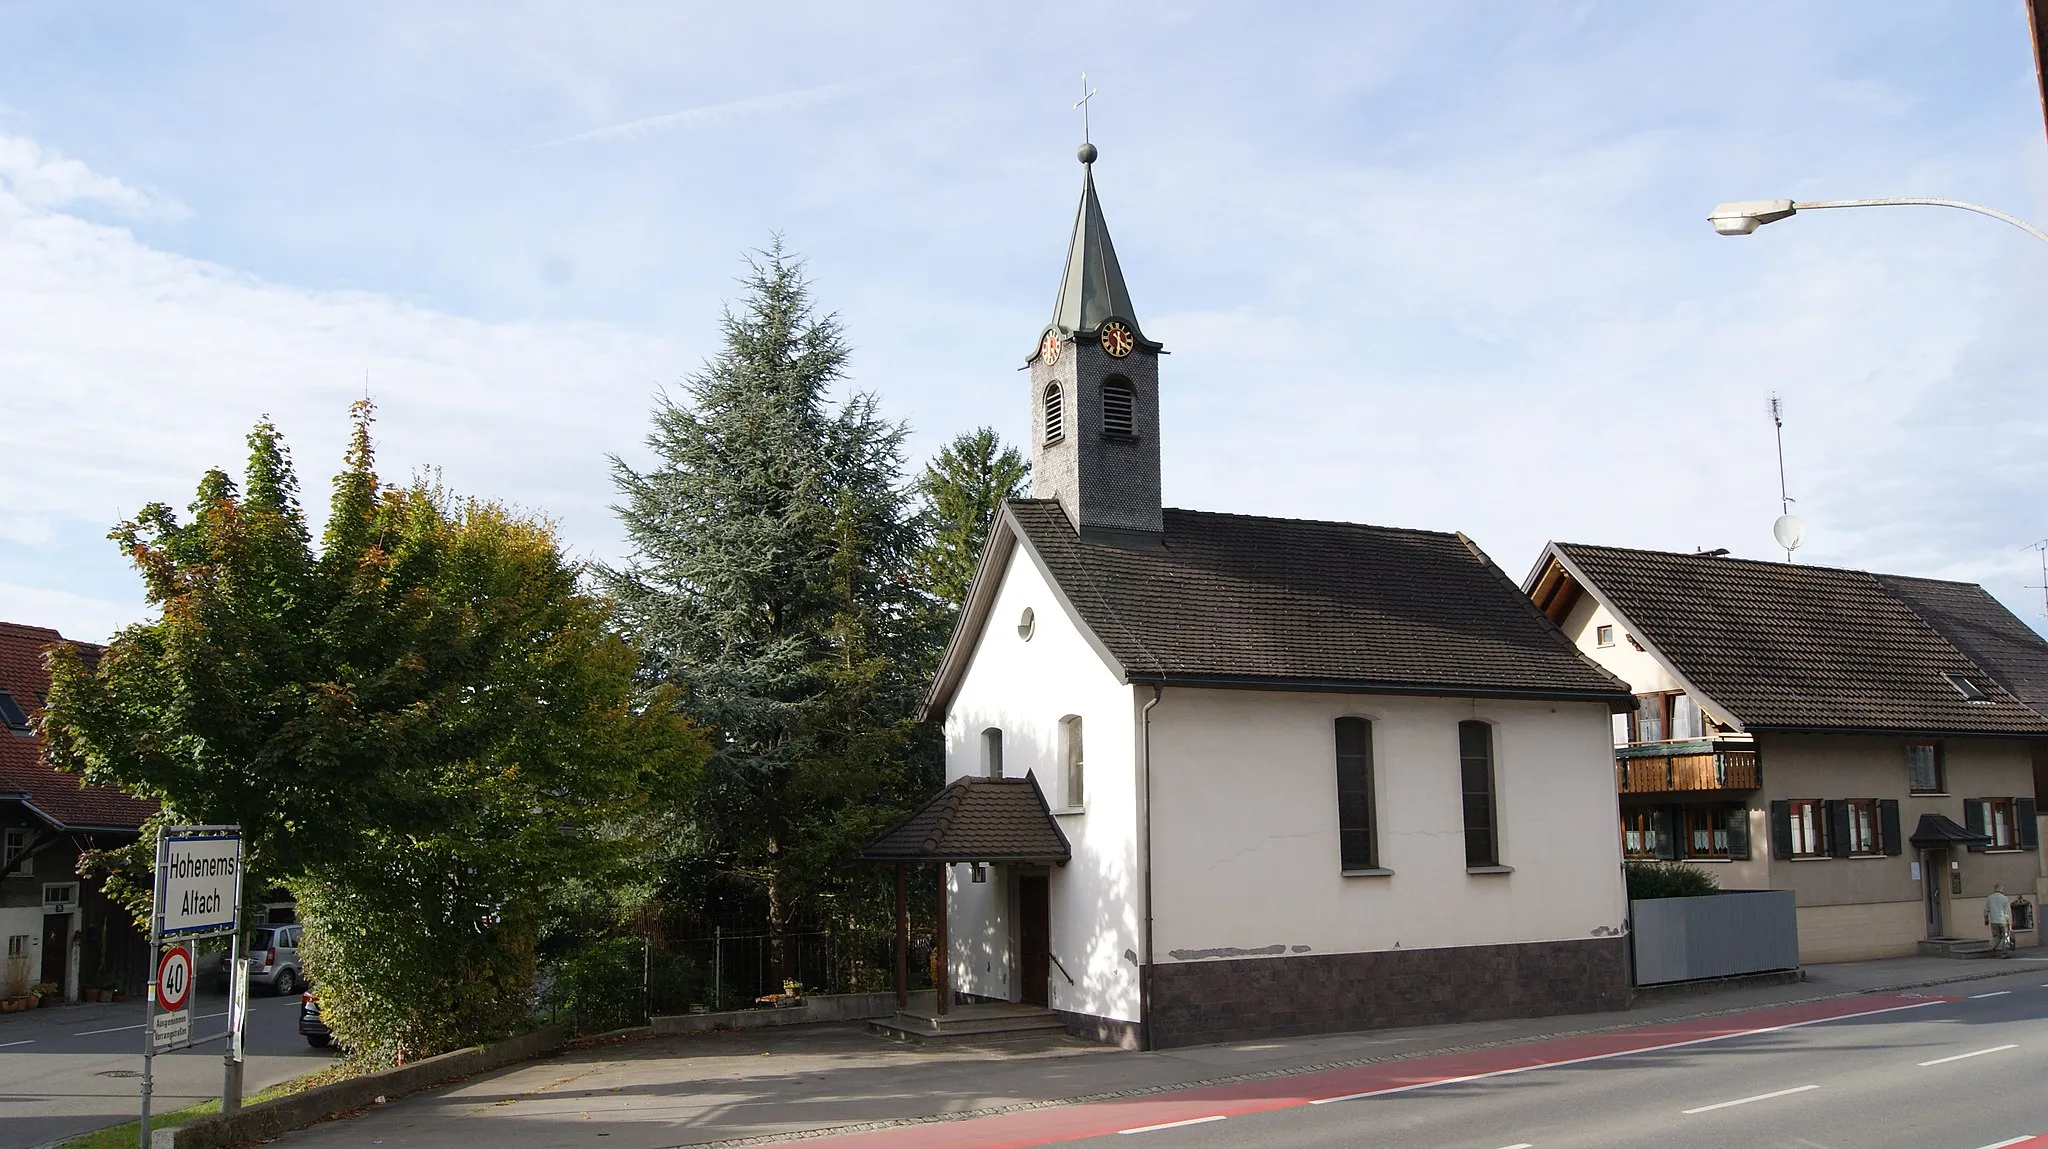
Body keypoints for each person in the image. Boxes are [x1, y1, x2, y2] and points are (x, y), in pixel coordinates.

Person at [1985, 883, 2014, 956]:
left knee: (1996, 936)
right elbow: (2007, 912)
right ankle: (2004, 953)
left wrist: (1986, 919)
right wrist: (2010, 923)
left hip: (1993, 920)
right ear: (2001, 889)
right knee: (2005, 936)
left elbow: (1986, 910)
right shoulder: (2004, 898)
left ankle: (1991, 948)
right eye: (2003, 889)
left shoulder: (1989, 898)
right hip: (2003, 920)